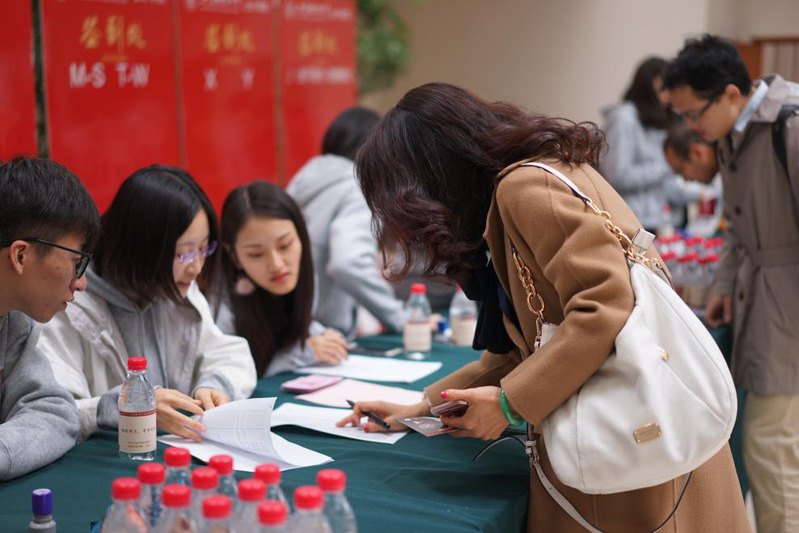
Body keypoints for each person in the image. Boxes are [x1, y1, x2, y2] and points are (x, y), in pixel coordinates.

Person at [338, 82, 750, 532]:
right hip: (637, 433)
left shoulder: (523, 189)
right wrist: (422, 408)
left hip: (630, 445)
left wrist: (510, 404)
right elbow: (524, 350)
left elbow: (603, 305)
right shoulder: (534, 179)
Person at [665, 34, 799, 533]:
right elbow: (737, 229)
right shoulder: (731, 133)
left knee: (771, 447)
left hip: (788, 309)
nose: (691, 128)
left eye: (693, 114)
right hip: (757, 297)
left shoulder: (789, 124)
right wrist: (723, 287)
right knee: (764, 441)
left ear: (730, 94)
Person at [37, 165, 256, 442]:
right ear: (142, 249)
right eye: (184, 254)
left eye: (203, 249)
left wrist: (215, 385)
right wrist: (125, 407)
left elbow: (229, 354)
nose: (197, 267)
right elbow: (53, 413)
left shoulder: (175, 288)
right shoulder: (68, 304)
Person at [0, 156, 99, 479]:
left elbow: (56, 413)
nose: (81, 283)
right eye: (76, 262)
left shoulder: (14, 319)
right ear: (20, 255)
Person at [286, 107, 405, 337]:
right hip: (325, 334)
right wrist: (400, 318)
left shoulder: (301, 180)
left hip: (294, 325)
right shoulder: (356, 185)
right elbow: (348, 263)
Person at [213, 181, 349, 377]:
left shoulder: (304, 274)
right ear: (234, 257)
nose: (276, 265)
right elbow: (235, 378)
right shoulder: (220, 309)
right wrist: (303, 352)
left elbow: (294, 328)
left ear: (301, 236)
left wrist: (322, 336)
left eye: (285, 245)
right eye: (256, 254)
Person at [601, 57, 703, 232]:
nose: (667, 97)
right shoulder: (623, 120)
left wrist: (698, 192)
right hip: (628, 222)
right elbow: (618, 176)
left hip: (659, 221)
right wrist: (668, 165)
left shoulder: (658, 120)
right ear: (645, 89)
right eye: (662, 90)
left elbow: (666, 184)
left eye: (670, 90)